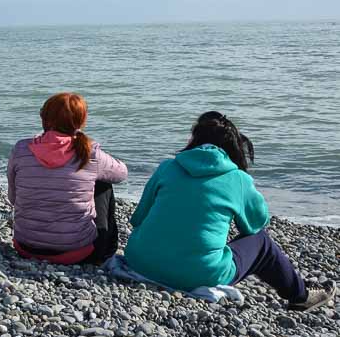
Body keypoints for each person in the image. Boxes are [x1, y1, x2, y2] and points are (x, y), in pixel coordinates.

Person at [124, 112, 335, 311]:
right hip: (196, 274)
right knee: (262, 243)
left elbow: (138, 218)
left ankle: (298, 288)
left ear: (194, 140)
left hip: (140, 260)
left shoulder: (167, 167)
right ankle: (301, 296)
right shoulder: (238, 179)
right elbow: (255, 224)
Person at [7, 92, 128, 265]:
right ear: (81, 122)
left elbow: (13, 199)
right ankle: (107, 253)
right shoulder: (89, 153)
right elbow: (122, 173)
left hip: (25, 246)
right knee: (103, 183)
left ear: (44, 118)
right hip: (77, 252)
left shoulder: (21, 149)